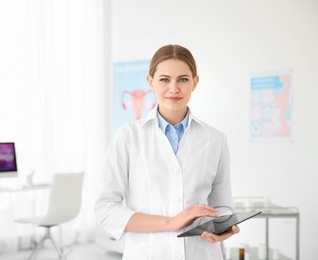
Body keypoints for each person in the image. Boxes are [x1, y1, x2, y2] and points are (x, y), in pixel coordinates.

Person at [95, 44, 239, 259]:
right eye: (164, 79)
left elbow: (222, 205)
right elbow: (106, 208)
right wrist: (170, 223)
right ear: (150, 82)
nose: (174, 88)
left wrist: (224, 227)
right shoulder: (128, 137)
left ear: (195, 82)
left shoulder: (215, 139)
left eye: (183, 79)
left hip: (201, 252)